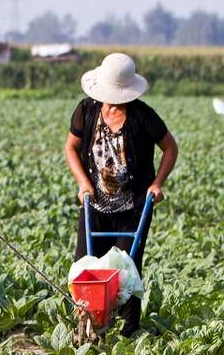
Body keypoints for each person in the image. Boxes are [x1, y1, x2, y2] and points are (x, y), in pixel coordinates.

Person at [65, 53, 178, 336]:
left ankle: (127, 331)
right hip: (95, 204)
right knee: (86, 268)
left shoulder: (143, 116)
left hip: (132, 206)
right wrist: (83, 183)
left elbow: (170, 148)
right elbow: (71, 148)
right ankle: (88, 324)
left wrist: (157, 183)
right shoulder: (87, 111)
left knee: (126, 269)